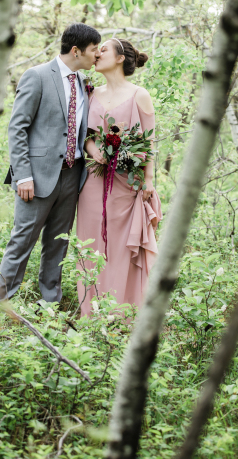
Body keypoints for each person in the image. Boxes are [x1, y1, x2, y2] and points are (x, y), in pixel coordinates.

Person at [0, 23, 101, 303]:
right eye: (93, 50)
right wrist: (23, 175)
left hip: (72, 174)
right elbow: (17, 128)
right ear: (76, 51)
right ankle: (1, 307)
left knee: (59, 242)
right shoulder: (37, 76)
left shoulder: (82, 82)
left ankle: (49, 304)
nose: (97, 56)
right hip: (37, 177)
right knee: (22, 241)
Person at [77, 38, 162, 316]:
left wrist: (148, 179)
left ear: (119, 58)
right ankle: (89, 312)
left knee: (121, 248)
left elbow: (148, 143)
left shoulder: (140, 94)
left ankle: (121, 312)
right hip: (94, 181)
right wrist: (96, 152)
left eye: (103, 50)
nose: (97, 53)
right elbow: (86, 136)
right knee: (92, 244)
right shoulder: (91, 94)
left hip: (128, 183)